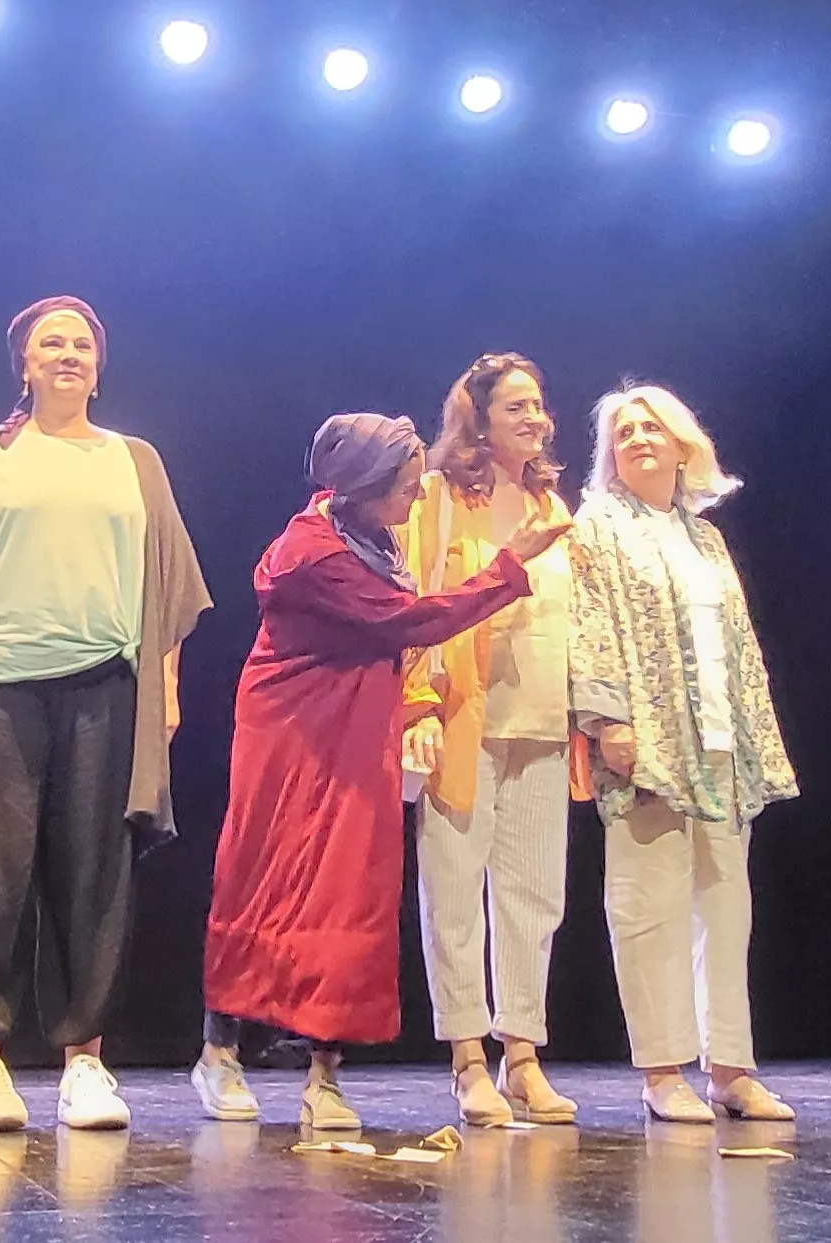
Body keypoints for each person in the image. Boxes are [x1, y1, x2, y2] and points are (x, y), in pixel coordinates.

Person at [197, 414, 559, 1130]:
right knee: (265, 881)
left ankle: (323, 1075)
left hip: (358, 731)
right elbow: (409, 620)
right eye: (400, 487)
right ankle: (220, 1053)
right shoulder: (311, 551)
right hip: (293, 736)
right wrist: (507, 567)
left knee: (349, 891)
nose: (414, 499)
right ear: (360, 487)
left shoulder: (372, 534)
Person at [0, 296, 211, 1133]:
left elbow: (168, 586)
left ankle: (85, 1060)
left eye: (82, 343)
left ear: (98, 364)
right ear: (25, 363)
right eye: (52, 342)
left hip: (105, 687)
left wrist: (169, 685)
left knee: (95, 871)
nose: (68, 354)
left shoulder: (134, 459)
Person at [572, 385, 802, 1123]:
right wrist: (607, 718)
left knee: (725, 905)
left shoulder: (705, 536)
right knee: (648, 906)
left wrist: (753, 733)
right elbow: (588, 625)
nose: (638, 438)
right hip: (646, 742)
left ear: (682, 443)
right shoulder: (597, 526)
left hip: (720, 745)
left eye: (652, 426)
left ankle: (731, 1067)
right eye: (623, 430)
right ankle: (662, 1069)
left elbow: (737, 644)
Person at [398, 353, 582, 1127]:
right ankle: (467, 1057)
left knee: (533, 897)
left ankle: (523, 1056)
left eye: (537, 404)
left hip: (540, 719)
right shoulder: (438, 499)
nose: (533, 418)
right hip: (463, 715)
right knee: (453, 892)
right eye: (515, 405)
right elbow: (412, 601)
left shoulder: (552, 500)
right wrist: (416, 706)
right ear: (475, 417)